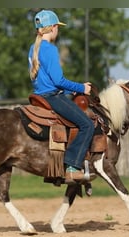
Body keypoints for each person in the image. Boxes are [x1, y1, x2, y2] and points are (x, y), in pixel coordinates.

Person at [28, 9, 95, 184]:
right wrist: (82, 87)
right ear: (52, 28)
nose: (58, 30)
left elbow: (47, 81)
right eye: (57, 27)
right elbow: (58, 79)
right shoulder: (50, 49)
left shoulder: (33, 48)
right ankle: (72, 168)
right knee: (87, 125)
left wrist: (68, 91)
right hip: (51, 97)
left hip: (40, 96)